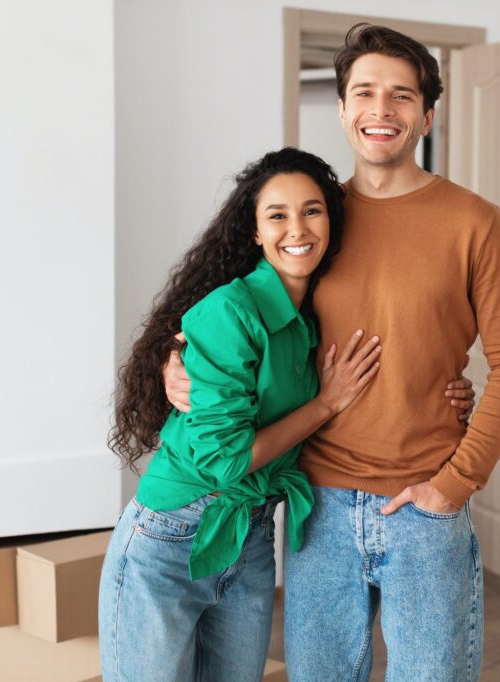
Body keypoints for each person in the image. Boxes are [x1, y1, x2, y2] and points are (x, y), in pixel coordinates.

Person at [165, 23, 500, 681]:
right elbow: (238, 318)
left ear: (427, 112)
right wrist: (178, 366)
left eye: (400, 95)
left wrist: (456, 483)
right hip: (317, 505)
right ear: (341, 111)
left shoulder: (475, 222)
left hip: (424, 503)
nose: (381, 110)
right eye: (364, 92)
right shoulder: (313, 222)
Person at [101, 147, 474, 681]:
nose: (296, 228)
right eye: (276, 214)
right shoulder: (230, 310)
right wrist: (325, 403)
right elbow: (227, 463)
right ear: (254, 231)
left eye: (312, 210)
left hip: (251, 537)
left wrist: (453, 390)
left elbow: (405, 349)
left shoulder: (318, 313)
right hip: (171, 538)